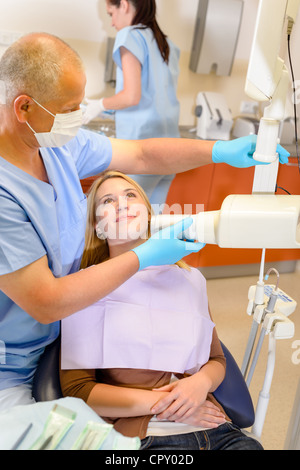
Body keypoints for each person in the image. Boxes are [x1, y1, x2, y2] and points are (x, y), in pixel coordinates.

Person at [0, 32, 289, 412]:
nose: (79, 115)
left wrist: (218, 150)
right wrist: (147, 255)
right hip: (14, 363)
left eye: (131, 196)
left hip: (62, 334)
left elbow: (141, 154)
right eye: (70, 108)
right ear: (24, 108)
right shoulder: (7, 192)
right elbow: (47, 303)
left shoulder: (56, 145)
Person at [60, 171, 263, 451]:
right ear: (97, 226)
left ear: (147, 213)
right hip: (146, 437)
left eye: (131, 195)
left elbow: (216, 359)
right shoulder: (84, 286)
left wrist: (200, 384)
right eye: (108, 200)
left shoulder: (188, 279)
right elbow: (78, 390)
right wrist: (170, 404)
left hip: (217, 430)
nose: (122, 204)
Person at [82, 0, 181, 209]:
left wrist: (99, 104)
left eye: (110, 13)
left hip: (142, 153)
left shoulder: (129, 35)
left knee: (124, 226)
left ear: (124, 5)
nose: (111, 23)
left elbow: (131, 97)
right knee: (151, 223)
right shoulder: (166, 43)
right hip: (171, 151)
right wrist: (107, 109)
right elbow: (154, 98)